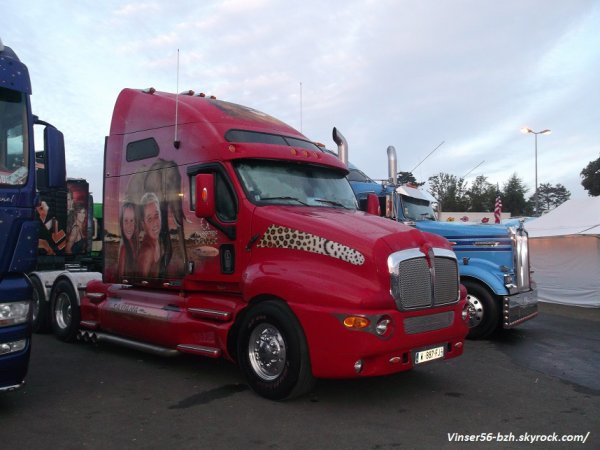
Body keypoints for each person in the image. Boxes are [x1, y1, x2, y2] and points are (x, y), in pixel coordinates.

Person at [138, 192, 162, 278]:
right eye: (149, 219)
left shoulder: (157, 242)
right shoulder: (147, 252)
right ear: (143, 224)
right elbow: (141, 285)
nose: (155, 223)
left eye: (156, 216)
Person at [117, 201, 139, 279]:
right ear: (121, 223)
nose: (129, 225)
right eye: (125, 221)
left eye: (132, 220)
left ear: (136, 222)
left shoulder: (134, 243)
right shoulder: (124, 248)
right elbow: (120, 277)